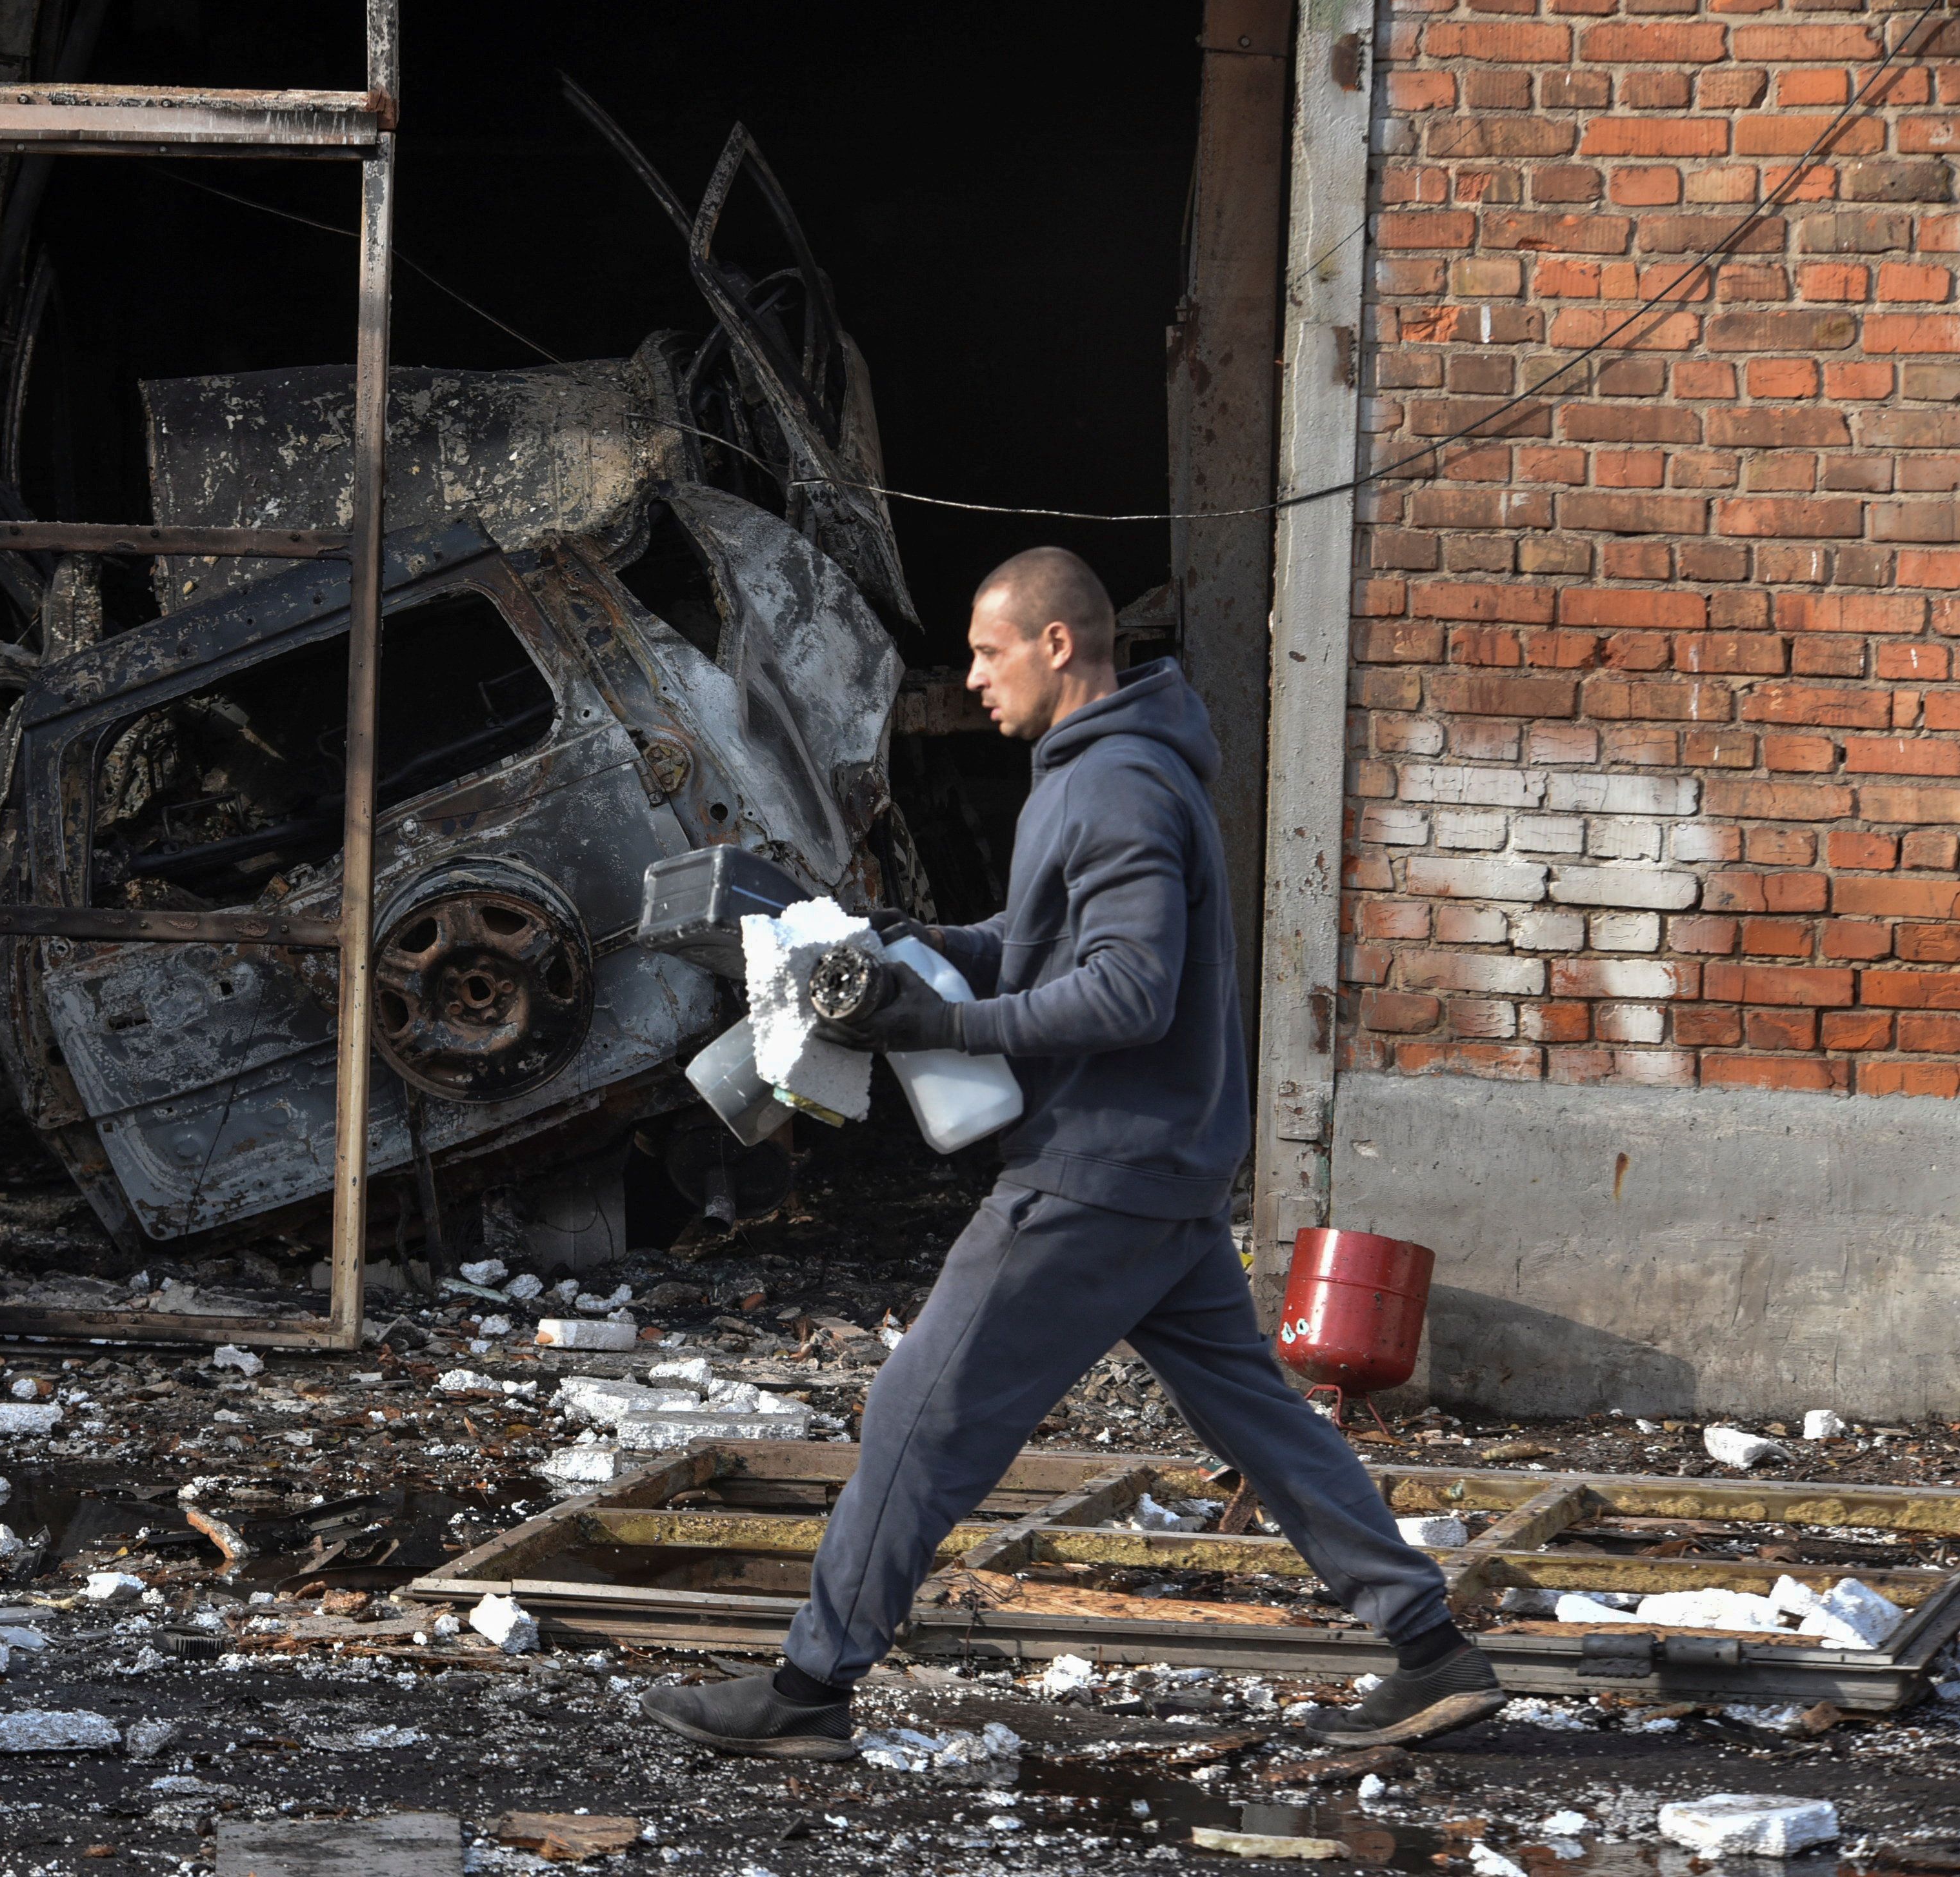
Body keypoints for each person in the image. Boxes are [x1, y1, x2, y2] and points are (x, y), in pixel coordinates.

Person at [638, 546, 1502, 1762]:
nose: (973, 679)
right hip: (1165, 1170)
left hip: (1097, 1168)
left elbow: (1129, 992)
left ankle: (807, 1689)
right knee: (1261, 1420)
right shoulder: (1104, 777)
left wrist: (934, 1021)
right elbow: (1048, 941)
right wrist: (929, 940)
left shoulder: (1115, 789)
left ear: (1058, 645)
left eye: (990, 652)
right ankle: (1433, 1652)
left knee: (916, 1412)